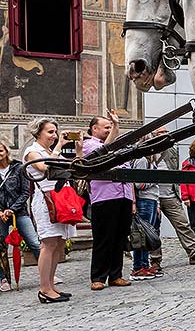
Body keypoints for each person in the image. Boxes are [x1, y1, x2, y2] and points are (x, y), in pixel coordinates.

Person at [22, 118, 80, 302]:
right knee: (48, 244)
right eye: (50, 132)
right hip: (46, 200)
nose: (54, 136)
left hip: (61, 199)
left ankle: (51, 285)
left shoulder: (52, 151)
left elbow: (75, 168)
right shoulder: (32, 152)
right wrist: (58, 148)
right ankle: (44, 288)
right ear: (38, 132)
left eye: (55, 132)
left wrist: (78, 148)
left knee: (59, 243)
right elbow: (46, 169)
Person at [82, 110, 133, 290]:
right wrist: (116, 127)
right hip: (105, 197)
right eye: (106, 127)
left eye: (110, 127)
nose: (108, 130)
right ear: (94, 129)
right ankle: (98, 277)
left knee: (119, 238)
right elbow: (103, 155)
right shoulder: (89, 145)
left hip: (123, 195)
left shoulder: (116, 146)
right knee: (104, 238)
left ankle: (115, 275)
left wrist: (132, 200)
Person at [154, 136, 195, 266]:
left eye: (166, 133)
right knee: (154, 229)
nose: (164, 135)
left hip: (170, 196)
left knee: (184, 225)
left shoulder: (172, 150)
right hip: (152, 196)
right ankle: (155, 261)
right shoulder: (147, 155)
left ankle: (194, 254)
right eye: (160, 133)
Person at [0, 139, 42, 291]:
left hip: (19, 212)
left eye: (1, 150)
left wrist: (12, 209)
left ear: (6, 151)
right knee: (0, 247)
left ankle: (47, 274)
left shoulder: (18, 168)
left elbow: (25, 192)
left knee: (34, 243)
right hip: (1, 215)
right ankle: (3, 279)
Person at [132, 149, 161, 280]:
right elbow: (139, 184)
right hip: (144, 200)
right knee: (142, 235)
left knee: (148, 235)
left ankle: (145, 264)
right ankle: (138, 267)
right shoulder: (142, 160)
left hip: (152, 199)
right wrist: (154, 179)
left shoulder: (150, 161)